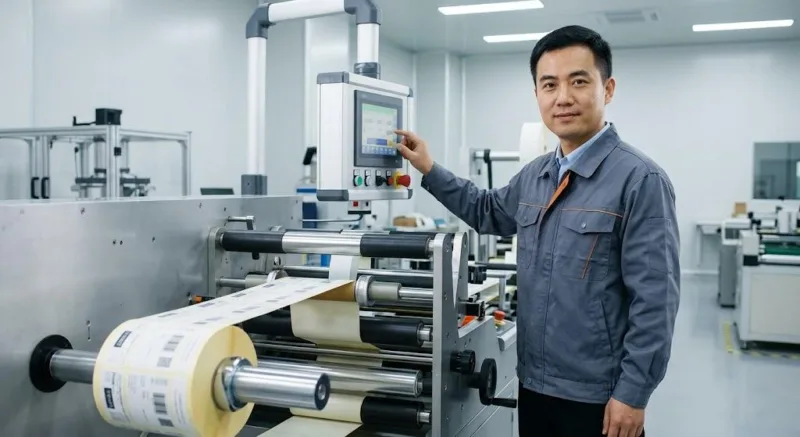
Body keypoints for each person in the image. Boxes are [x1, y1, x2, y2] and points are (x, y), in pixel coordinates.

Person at [394, 25, 680, 437]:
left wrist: (633, 393)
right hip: (533, 382)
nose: (563, 97)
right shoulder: (537, 175)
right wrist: (429, 169)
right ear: (537, 95)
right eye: (549, 84)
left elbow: (656, 299)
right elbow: (486, 210)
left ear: (608, 88)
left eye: (578, 81)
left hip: (598, 396)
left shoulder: (640, 180)